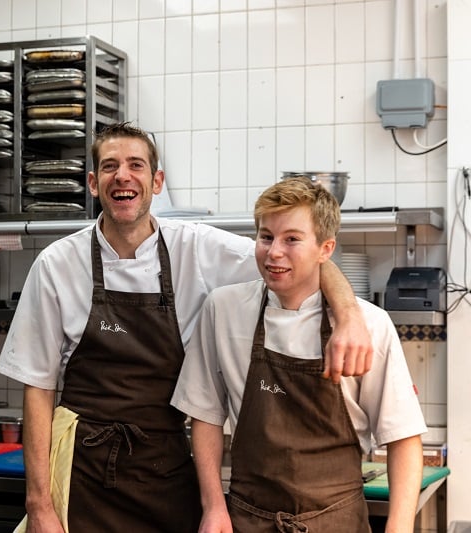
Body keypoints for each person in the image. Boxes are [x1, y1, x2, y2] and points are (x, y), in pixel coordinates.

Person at [0, 122, 375, 532]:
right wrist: (40, 505)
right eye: (109, 166)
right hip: (80, 475)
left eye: (135, 165)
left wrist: (349, 315)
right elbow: (37, 388)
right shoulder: (57, 264)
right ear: (93, 183)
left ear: (156, 181)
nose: (122, 175)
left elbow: (301, 260)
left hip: (166, 473)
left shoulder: (198, 248)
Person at [171, 176, 426, 532]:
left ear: (326, 249)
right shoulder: (223, 310)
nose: (274, 251)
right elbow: (206, 415)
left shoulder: (368, 325)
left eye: (292, 239)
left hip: (336, 522)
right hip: (248, 520)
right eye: (265, 237)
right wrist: (213, 505)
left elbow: (403, 438)